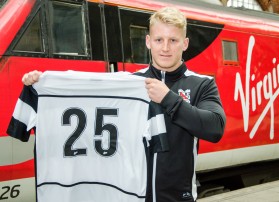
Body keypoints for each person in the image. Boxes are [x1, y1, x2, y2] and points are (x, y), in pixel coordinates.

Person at [22, 7, 226, 202]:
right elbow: (85, 93)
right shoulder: (129, 83)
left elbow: (215, 127)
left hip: (178, 197)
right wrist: (44, 85)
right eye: (159, 40)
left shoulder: (202, 84)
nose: (165, 47)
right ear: (148, 41)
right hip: (131, 196)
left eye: (173, 40)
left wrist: (169, 99)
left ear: (185, 43)